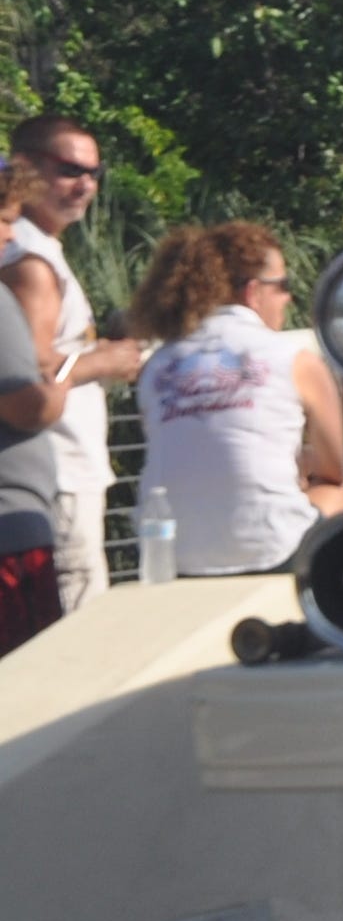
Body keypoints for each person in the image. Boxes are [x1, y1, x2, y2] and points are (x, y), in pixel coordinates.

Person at [127, 224, 343, 573]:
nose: (288, 298)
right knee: (342, 487)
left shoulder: (157, 366)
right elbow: (339, 467)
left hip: (172, 555)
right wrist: (303, 467)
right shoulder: (294, 358)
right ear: (253, 291)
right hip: (274, 550)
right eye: (283, 286)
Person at [3, 120, 147, 614]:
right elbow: (30, 369)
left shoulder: (33, 249)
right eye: (69, 170)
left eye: (94, 172)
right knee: (75, 630)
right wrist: (101, 360)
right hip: (58, 476)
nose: (86, 185)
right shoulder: (29, 259)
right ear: (25, 169)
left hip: (58, 476)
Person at [0, 234, 73, 654]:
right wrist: (60, 387)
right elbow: (24, 406)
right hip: (12, 534)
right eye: (5, 217)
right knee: (28, 684)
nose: (9, 235)